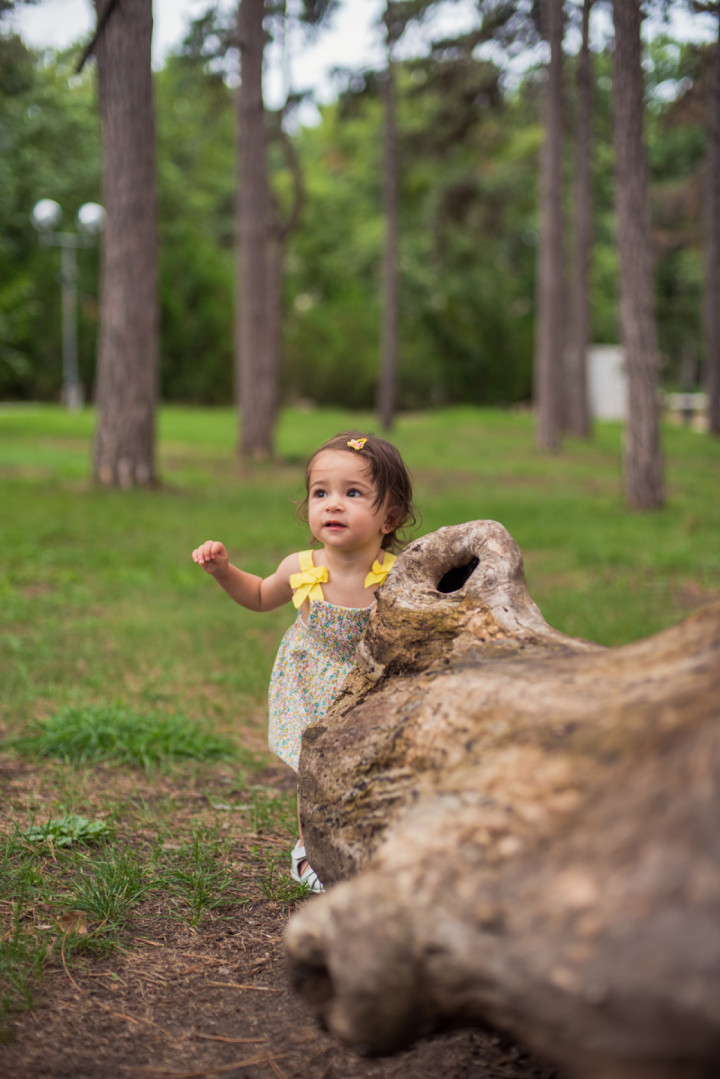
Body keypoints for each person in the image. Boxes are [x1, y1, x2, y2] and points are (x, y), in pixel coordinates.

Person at [191, 431, 417, 893]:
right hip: (311, 683)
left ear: (390, 516)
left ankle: (378, 846)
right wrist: (224, 572)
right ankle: (311, 849)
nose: (333, 504)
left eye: (353, 493)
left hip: (374, 687)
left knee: (374, 771)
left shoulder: (401, 575)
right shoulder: (300, 565)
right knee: (315, 774)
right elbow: (257, 596)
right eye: (321, 493)